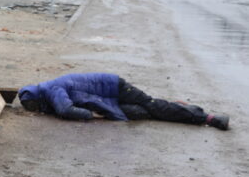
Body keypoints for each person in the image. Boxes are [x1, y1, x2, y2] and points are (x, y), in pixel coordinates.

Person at [18, 73, 229, 130]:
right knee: (140, 113)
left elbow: (65, 109)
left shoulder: (52, 89)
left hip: (115, 87)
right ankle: (180, 108)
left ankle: (208, 118)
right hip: (107, 98)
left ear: (37, 97)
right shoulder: (49, 90)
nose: (35, 110)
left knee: (153, 106)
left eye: (33, 106)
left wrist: (92, 116)